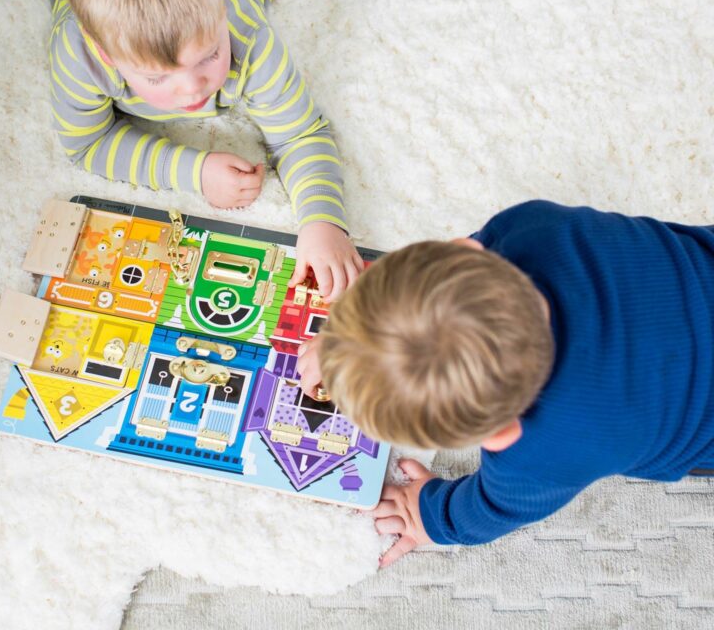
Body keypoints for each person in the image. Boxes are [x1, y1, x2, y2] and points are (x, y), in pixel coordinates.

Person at [296, 200, 714, 566]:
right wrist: (345, 345)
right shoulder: (532, 227)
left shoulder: (545, 453)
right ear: (465, 251)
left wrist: (429, 515)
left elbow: (491, 508)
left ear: (501, 434)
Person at [47, 0, 363, 299]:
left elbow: (302, 133)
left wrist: (321, 219)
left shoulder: (246, 35)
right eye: (156, 77)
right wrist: (193, 172)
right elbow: (87, 144)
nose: (194, 90)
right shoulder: (77, 54)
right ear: (103, 51)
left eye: (209, 56)